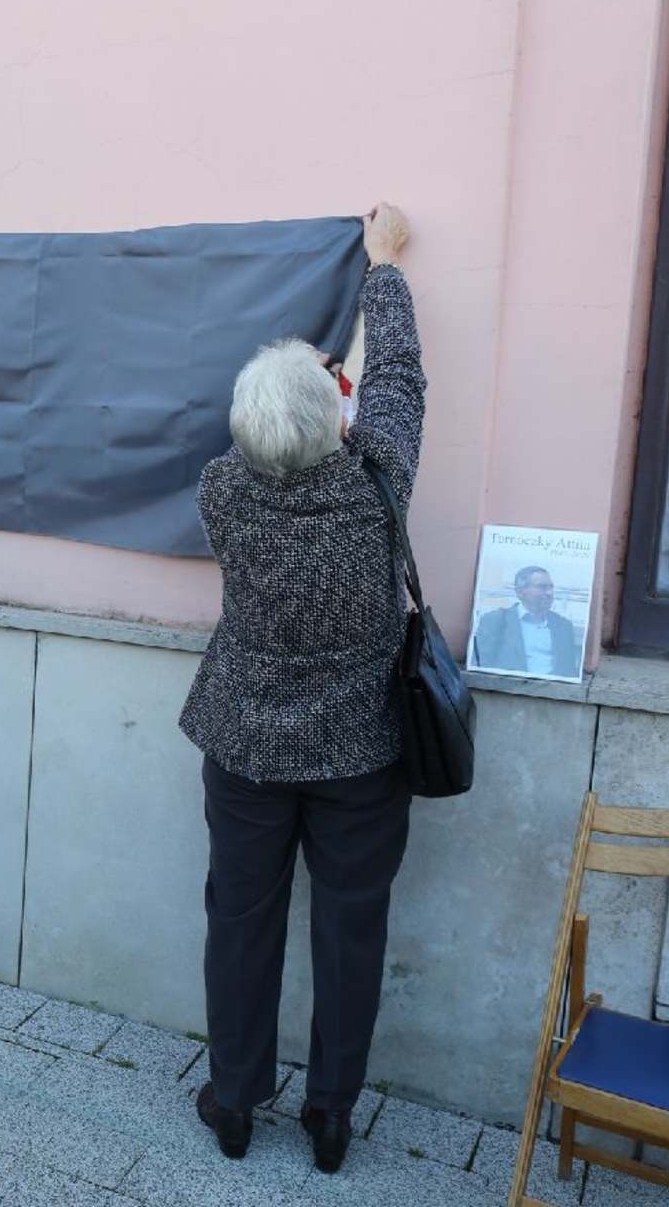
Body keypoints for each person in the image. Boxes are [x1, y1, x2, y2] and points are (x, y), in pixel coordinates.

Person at [178, 203, 421, 1175]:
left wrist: (312, 389)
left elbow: (316, 419)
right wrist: (385, 265)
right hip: (361, 752)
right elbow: (397, 378)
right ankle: (330, 1114)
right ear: (339, 425)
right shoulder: (378, 483)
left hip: (245, 745)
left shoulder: (222, 490)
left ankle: (235, 1101)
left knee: (241, 922)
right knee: (350, 930)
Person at [471, 566, 580, 678]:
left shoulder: (564, 626)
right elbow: (482, 664)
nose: (549, 593)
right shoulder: (496, 620)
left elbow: (569, 670)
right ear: (520, 592)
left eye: (551, 587)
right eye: (542, 587)